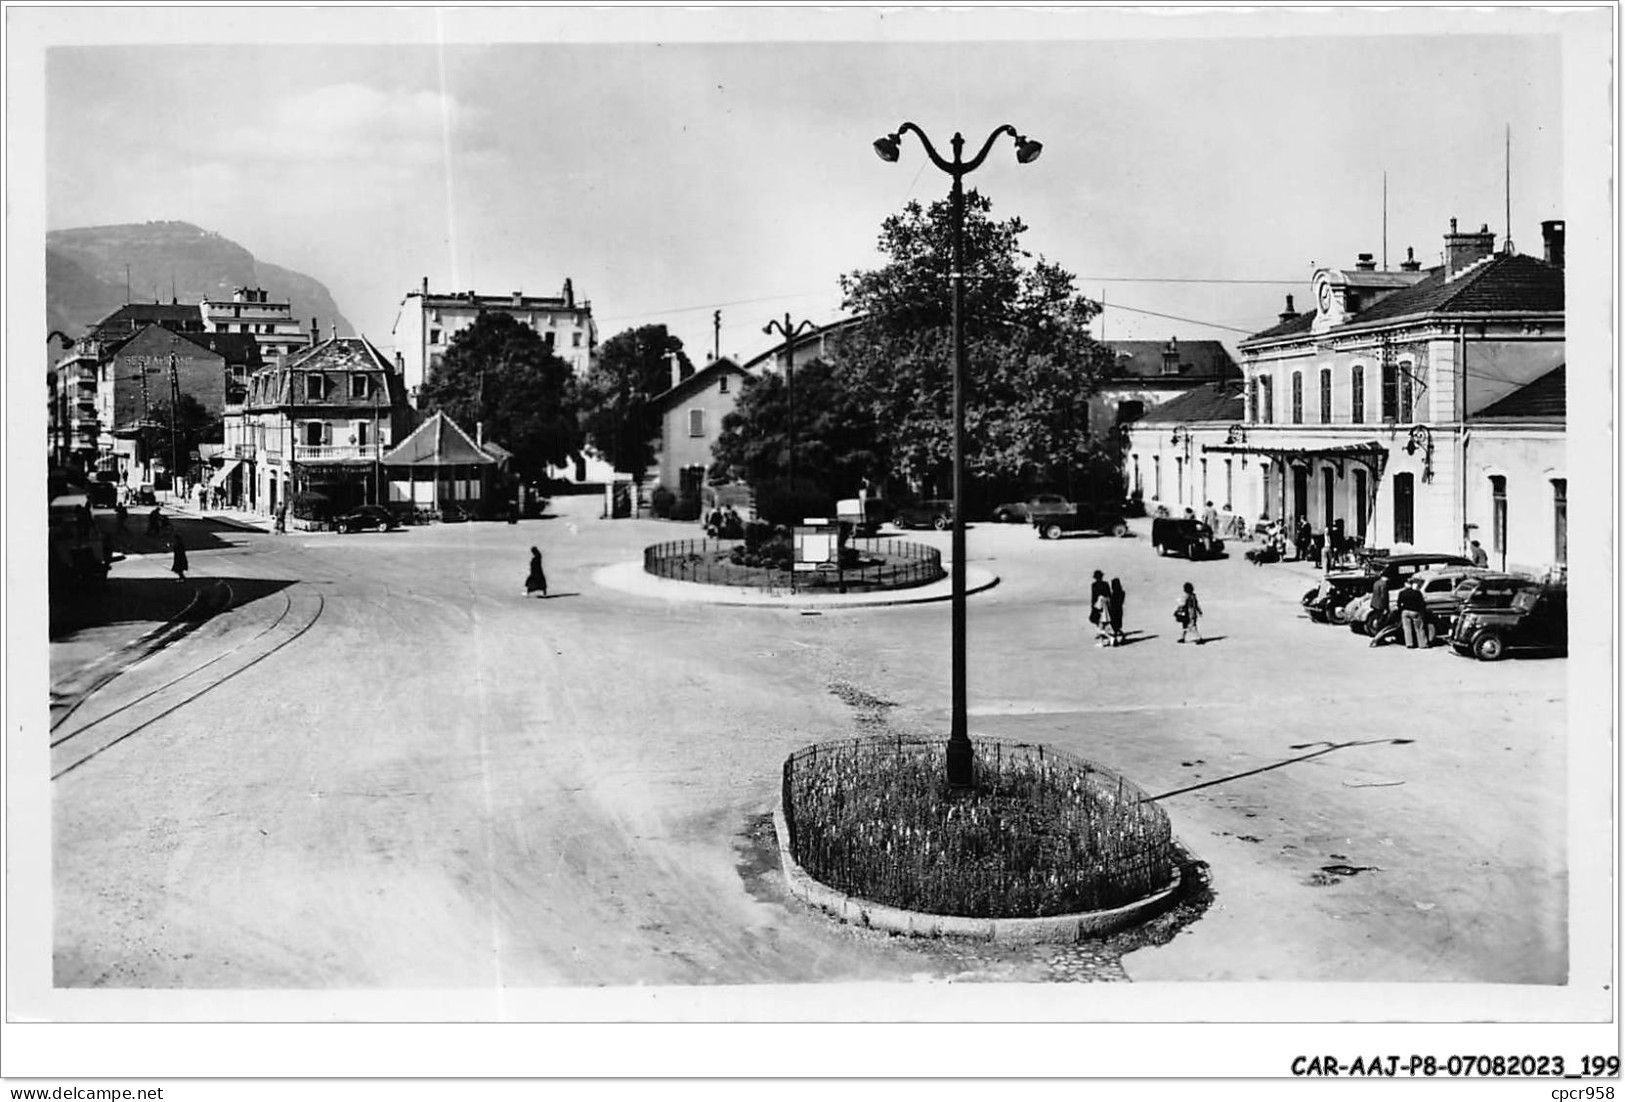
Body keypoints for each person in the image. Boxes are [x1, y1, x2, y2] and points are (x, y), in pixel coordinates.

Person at [1397, 576, 1428, 649]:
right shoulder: (1417, 593)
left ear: (1405, 584)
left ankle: (1409, 644)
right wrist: (1422, 612)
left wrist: (1401, 610)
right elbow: (1422, 604)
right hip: (1415, 612)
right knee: (1419, 628)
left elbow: (1399, 603)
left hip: (1405, 612)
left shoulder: (1402, 593)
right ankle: (1422, 644)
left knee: (1407, 628)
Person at [1087, 569, 1109, 636]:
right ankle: (1102, 630)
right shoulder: (1105, 584)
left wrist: (1093, 604)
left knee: (1097, 618)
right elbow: (1109, 594)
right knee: (1104, 618)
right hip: (1104, 603)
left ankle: (1100, 631)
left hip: (1098, 603)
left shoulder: (1094, 585)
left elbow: (1093, 595)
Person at [1108, 578, 1127, 646]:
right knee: (1117, 626)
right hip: (1119, 610)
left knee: (1114, 626)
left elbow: (1112, 603)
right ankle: (1118, 638)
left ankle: (1116, 639)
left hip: (1114, 611)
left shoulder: (1114, 594)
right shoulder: (1122, 592)